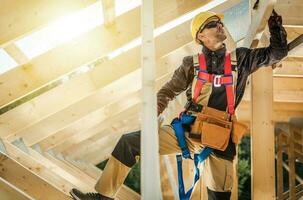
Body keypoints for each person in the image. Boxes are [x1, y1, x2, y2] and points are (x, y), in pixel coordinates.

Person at [70, 9, 288, 200]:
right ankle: (103, 197)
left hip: (220, 139)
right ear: (201, 36)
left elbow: (277, 53)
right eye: (213, 24)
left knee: (219, 195)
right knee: (130, 142)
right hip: (188, 131)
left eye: (220, 23)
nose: (220, 25)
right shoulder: (190, 64)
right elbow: (166, 92)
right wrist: (151, 114)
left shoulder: (241, 59)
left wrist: (275, 26)